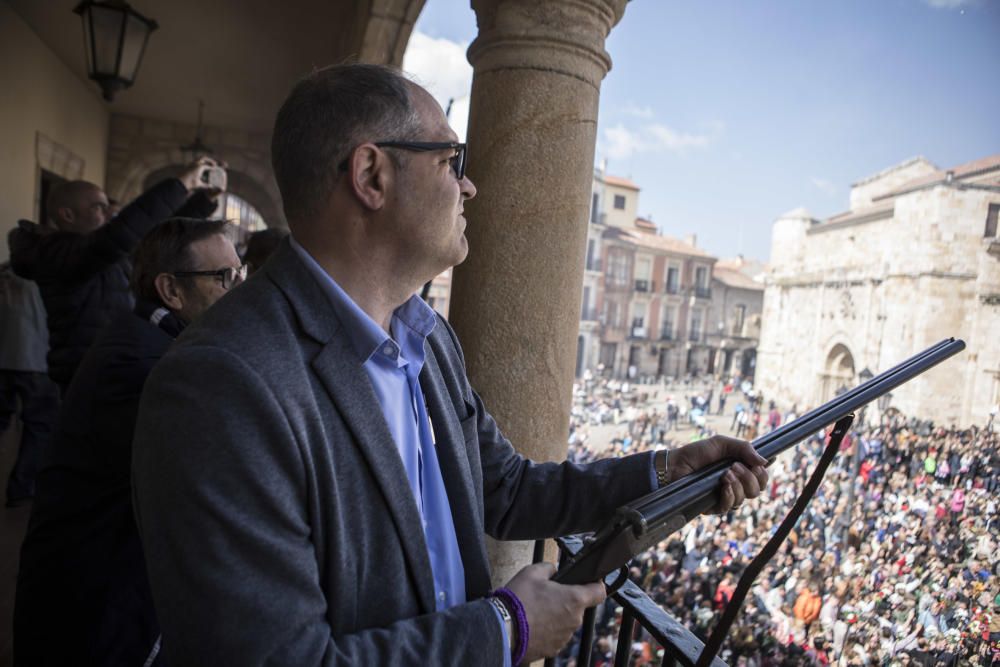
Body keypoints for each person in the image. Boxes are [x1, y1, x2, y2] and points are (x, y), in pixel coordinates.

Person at [131, 64, 769, 666]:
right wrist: (506, 630)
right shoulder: (220, 383)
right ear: (371, 176)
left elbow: (507, 488)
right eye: (450, 160)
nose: (469, 184)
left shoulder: (427, 337)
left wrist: (665, 473)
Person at [13, 218, 244, 667]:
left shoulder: (154, 339)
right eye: (223, 278)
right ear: (171, 291)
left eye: (241, 272)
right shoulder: (146, 365)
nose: (239, 288)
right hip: (92, 613)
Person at [7, 159, 223, 394]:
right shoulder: (55, 254)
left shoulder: (98, 253)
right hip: (83, 376)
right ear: (67, 215)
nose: (109, 212)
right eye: (98, 207)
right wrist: (182, 184)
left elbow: (153, 233)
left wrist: (204, 200)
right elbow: (120, 234)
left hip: (110, 365)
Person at [0, 261, 59, 506]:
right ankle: (21, 488)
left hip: (3, 360)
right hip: (37, 362)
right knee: (39, 428)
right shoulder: (50, 274)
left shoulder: (5, 273)